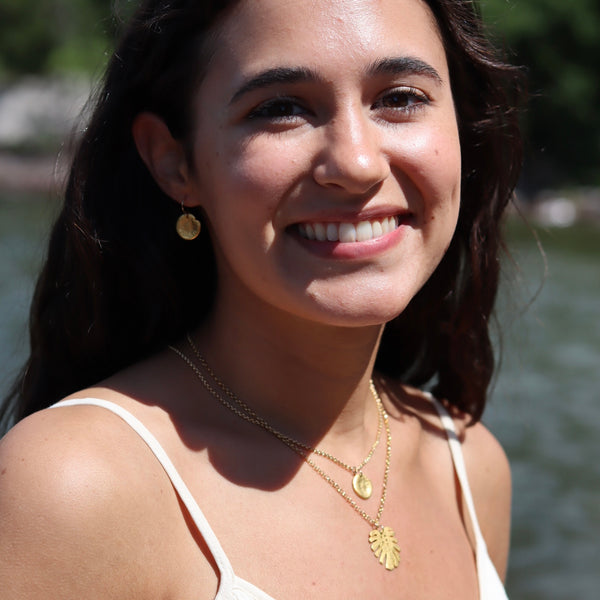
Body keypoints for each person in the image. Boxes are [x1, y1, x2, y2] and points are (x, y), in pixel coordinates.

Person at [0, 0, 524, 597]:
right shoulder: (74, 488)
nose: (355, 162)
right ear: (174, 162)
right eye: (280, 108)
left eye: (399, 98)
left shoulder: (469, 467)